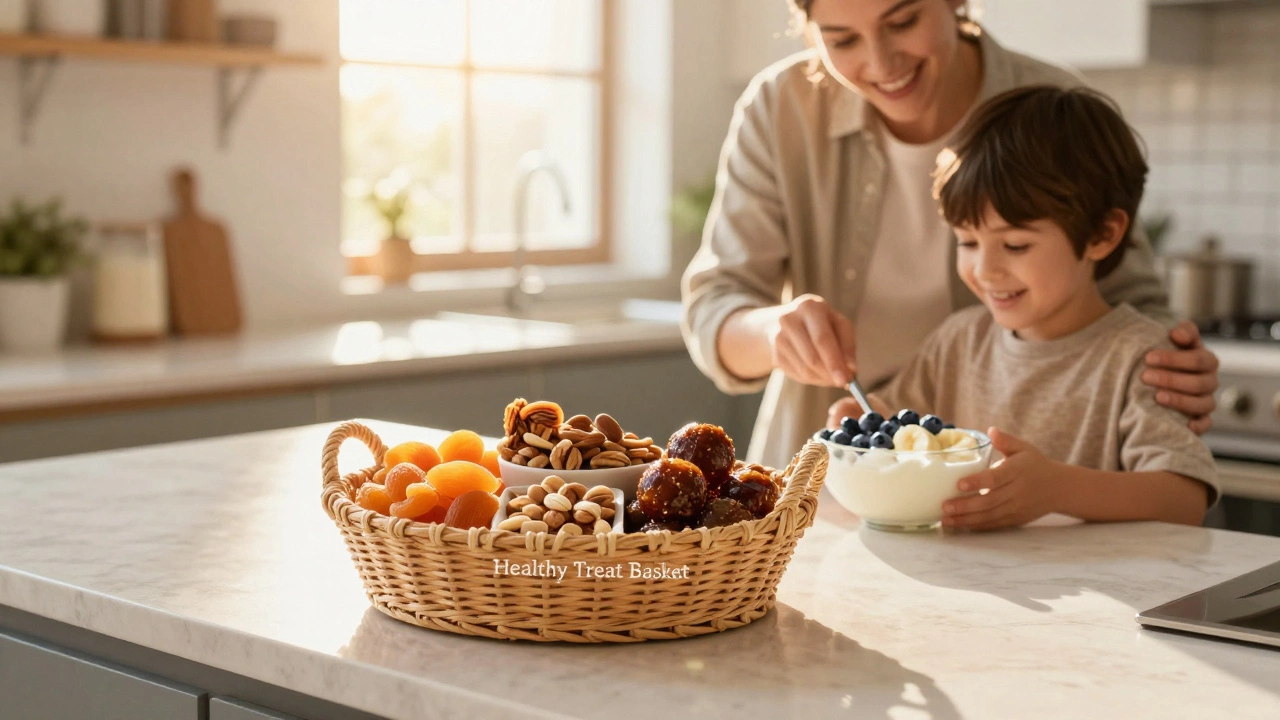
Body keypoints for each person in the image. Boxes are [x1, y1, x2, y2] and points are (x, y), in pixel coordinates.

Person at [681, 0, 1220, 471]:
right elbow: (714, 307)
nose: (881, 63)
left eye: (903, 21)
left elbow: (1135, 304)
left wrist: (1170, 366)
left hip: (1014, 492)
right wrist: (774, 331)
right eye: (842, 39)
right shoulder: (781, 106)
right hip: (831, 483)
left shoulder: (1049, 103)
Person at [829, 85, 1217, 530]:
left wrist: (1059, 489)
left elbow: (1185, 498)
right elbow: (902, 434)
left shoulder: (1140, 356)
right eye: (967, 242)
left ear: (1102, 234)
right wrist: (867, 419)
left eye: (1015, 245)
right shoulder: (958, 340)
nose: (985, 269)